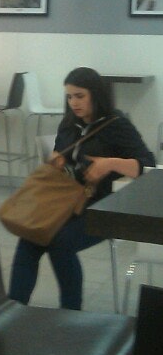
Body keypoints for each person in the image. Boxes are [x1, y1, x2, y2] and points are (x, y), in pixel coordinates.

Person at [8, 66, 155, 310]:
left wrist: (110, 164)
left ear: (95, 95)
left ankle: (71, 312)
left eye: (79, 96)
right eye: (69, 97)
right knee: (30, 237)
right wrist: (55, 163)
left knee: (60, 243)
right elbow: (61, 158)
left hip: (102, 207)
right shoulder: (69, 123)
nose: (73, 103)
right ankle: (13, 308)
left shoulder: (117, 125)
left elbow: (147, 165)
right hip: (66, 202)